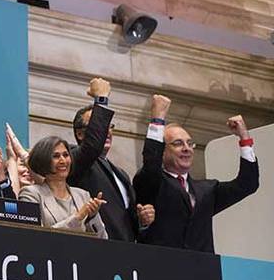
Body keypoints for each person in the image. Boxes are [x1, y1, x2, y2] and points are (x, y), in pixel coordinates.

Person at [133, 94, 259, 253]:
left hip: (202, 266)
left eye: (190, 143)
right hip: (163, 264)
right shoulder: (152, 182)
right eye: (178, 143)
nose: (186, 148)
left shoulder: (207, 189)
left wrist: (244, 139)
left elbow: (248, 184)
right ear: (162, 152)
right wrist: (157, 119)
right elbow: (151, 164)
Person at [69, 77, 155, 242]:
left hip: (125, 249)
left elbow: (125, 222)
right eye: (101, 126)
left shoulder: (120, 173)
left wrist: (142, 221)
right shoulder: (74, 158)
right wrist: (101, 100)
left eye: (110, 126)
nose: (107, 131)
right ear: (80, 134)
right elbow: (92, 147)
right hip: (94, 246)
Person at [19, 136, 108, 238]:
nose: (63, 161)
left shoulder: (83, 195)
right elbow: (35, 237)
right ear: (43, 160)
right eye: (56, 156)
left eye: (66, 155)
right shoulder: (30, 194)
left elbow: (103, 239)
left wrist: (92, 217)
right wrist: (78, 217)